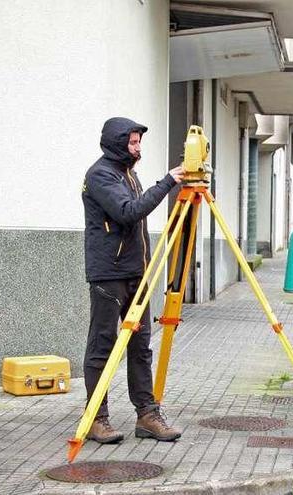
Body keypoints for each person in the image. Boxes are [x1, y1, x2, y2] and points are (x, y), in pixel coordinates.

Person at [81, 117, 184, 444]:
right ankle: (97, 419)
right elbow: (128, 212)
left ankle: (147, 415)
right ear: (117, 142)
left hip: (136, 274)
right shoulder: (100, 176)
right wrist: (167, 182)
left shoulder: (129, 174)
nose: (138, 148)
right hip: (109, 275)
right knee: (103, 347)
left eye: (139, 142)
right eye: (133, 143)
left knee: (140, 348)